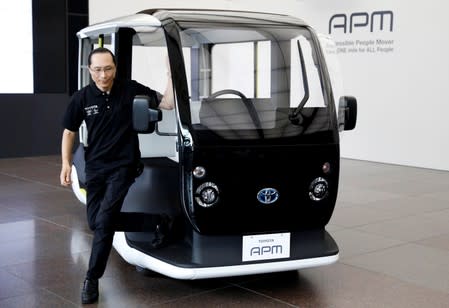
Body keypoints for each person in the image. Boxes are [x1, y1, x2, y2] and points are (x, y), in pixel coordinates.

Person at [59, 47, 174, 305]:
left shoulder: (130, 89)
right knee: (95, 222)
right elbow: (69, 131)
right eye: (98, 69)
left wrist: (171, 73)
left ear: (115, 68)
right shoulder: (81, 98)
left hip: (124, 166)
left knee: (104, 221)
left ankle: (91, 279)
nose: (103, 75)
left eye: (108, 69)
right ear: (89, 70)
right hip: (96, 168)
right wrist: (66, 163)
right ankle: (157, 222)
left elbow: (166, 103)